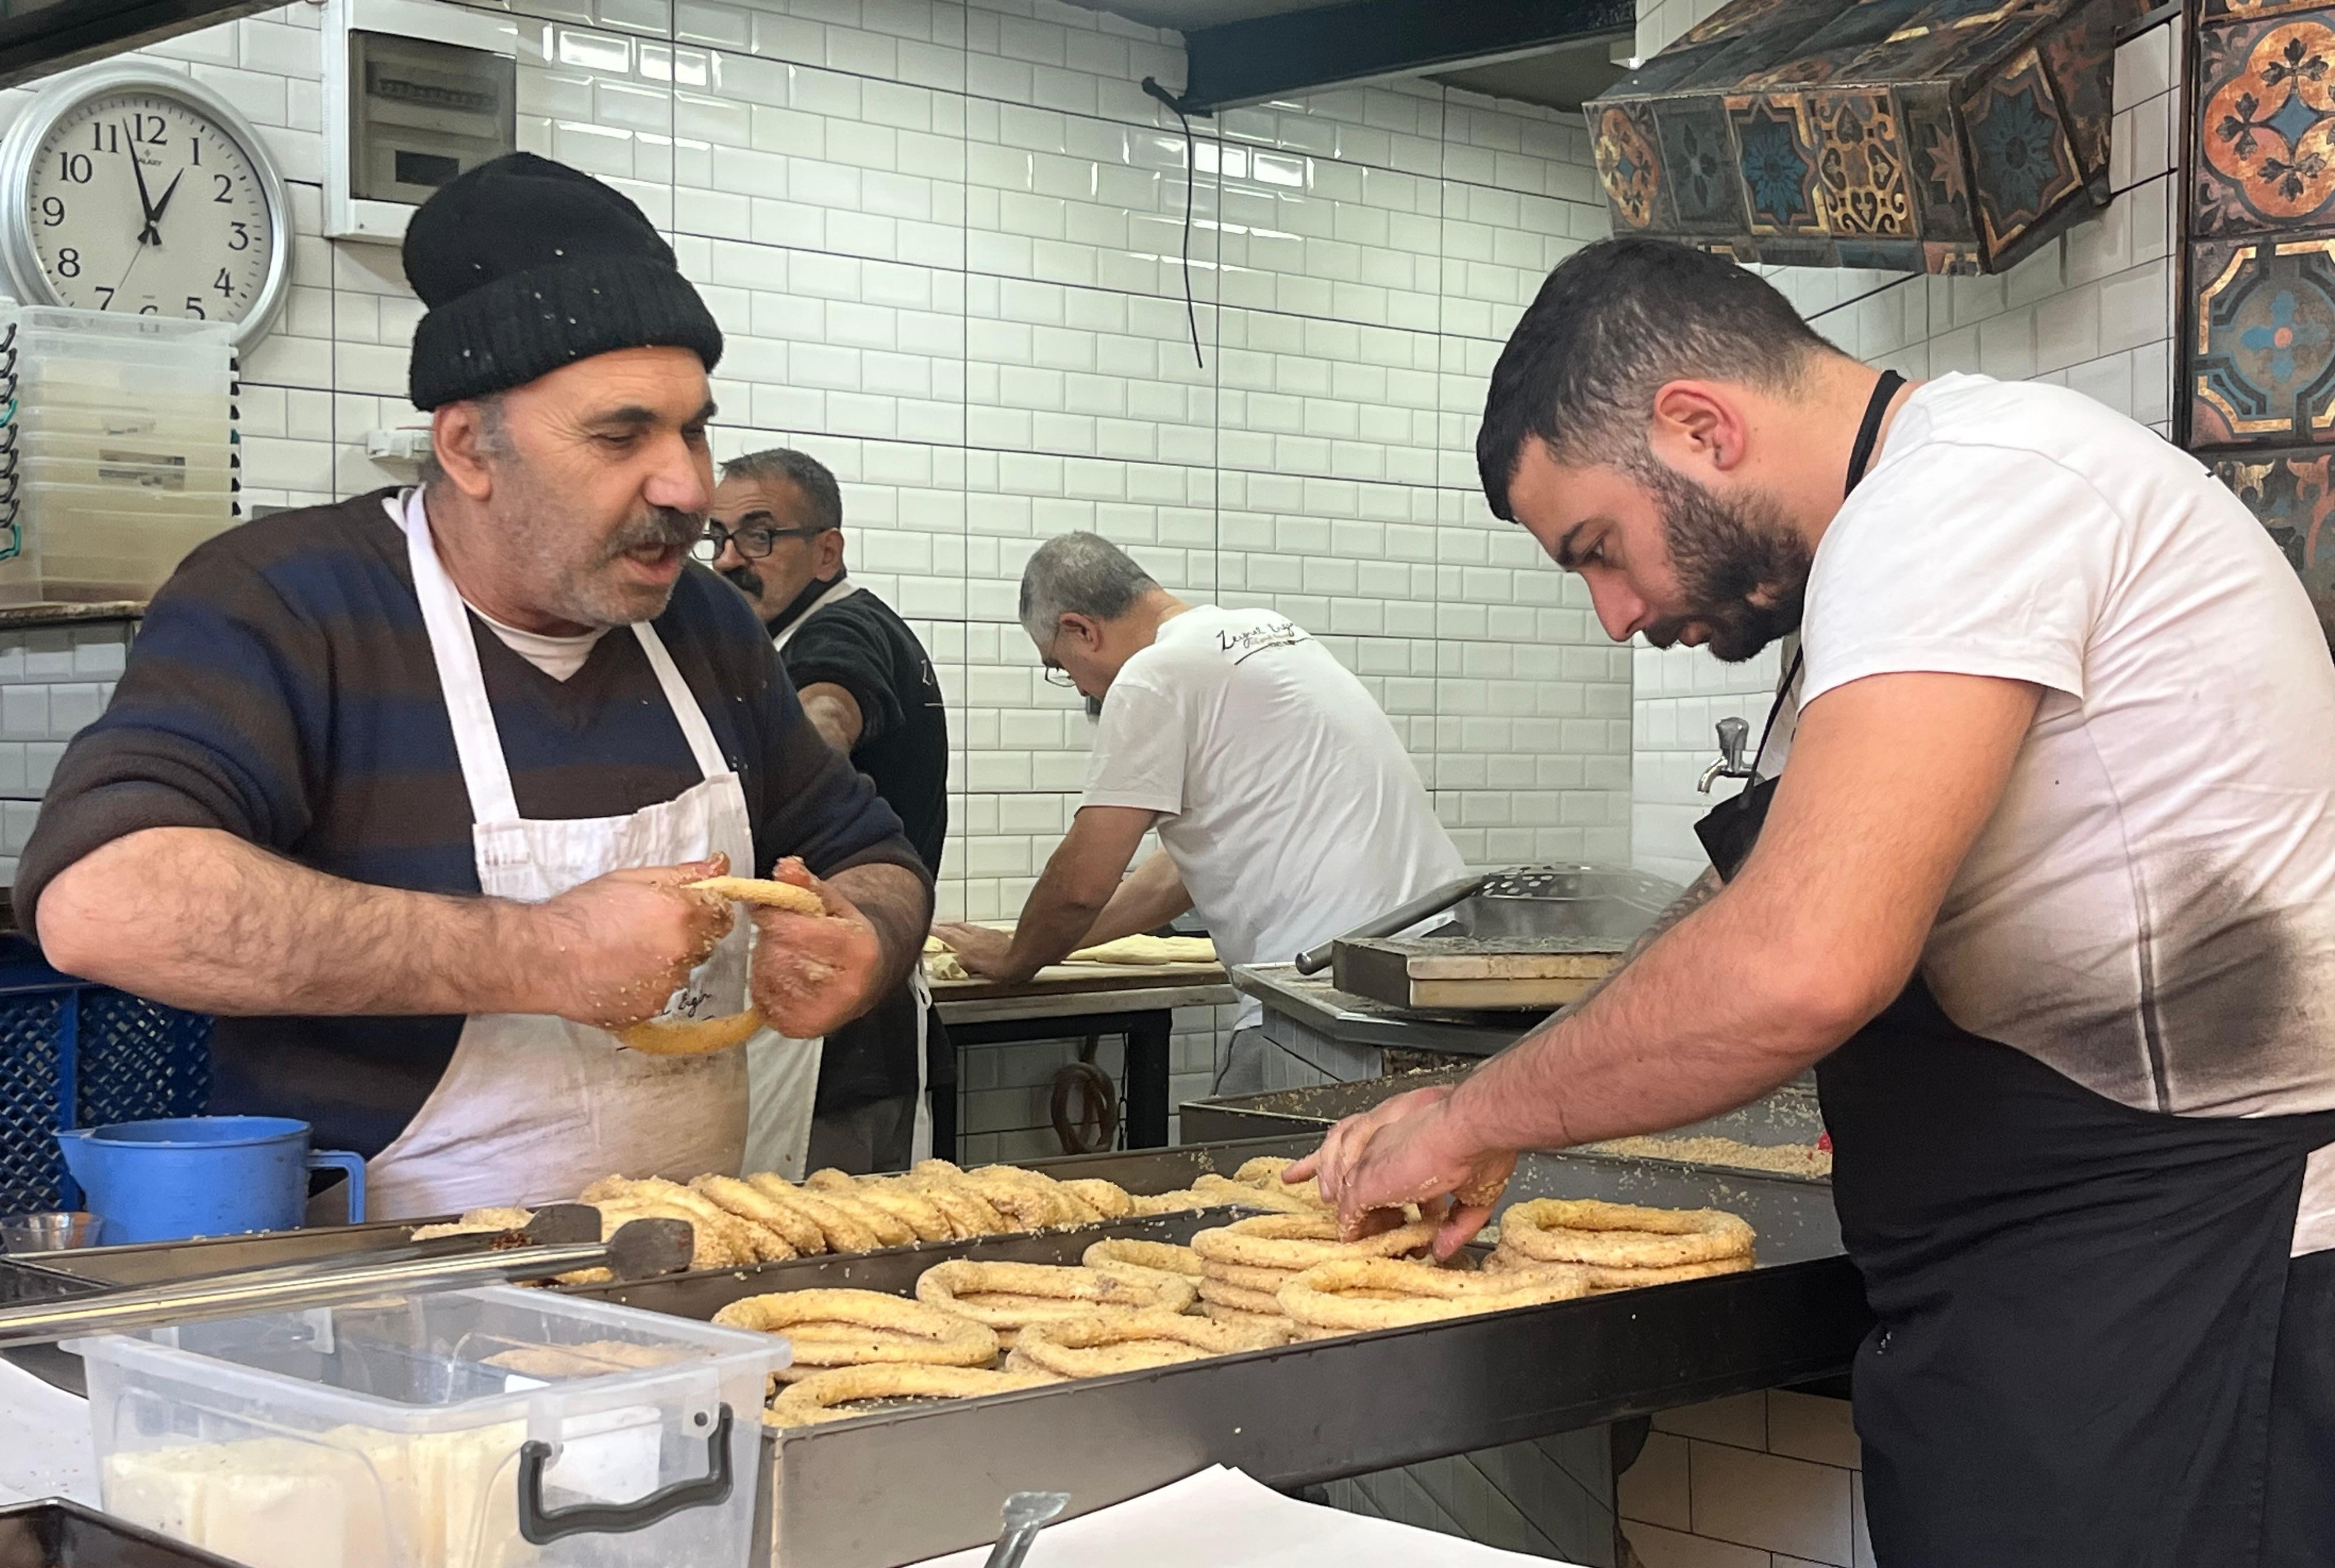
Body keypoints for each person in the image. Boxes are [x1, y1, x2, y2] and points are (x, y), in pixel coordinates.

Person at [1295, 237, 2335, 1568]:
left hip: (2178, 1290)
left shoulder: (1971, 497)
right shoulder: (1894, 550)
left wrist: (1476, 1113)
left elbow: (1801, 960)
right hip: (2052, 1302)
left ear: (1701, 426)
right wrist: (1511, 1113)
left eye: (1595, 547)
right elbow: (1746, 927)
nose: (1613, 613)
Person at [16, 153, 932, 1219]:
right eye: (620, 433)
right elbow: (105, 900)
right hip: (372, 1301)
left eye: (691, 427)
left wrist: (859, 939)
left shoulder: (704, 625)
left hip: (679, 1289)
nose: (688, 485)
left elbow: (875, 856)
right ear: (466, 446)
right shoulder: (291, 600)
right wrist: (547, 952)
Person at [933, 532, 1466, 1095]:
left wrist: (1017, 957)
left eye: (1060, 666)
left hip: (1326, 998)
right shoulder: (1269, 633)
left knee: (1243, 1179)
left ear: (1080, 630)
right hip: (1438, 974)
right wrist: (1058, 943)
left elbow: (1082, 883)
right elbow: (1177, 875)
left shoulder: (1154, 676)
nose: (1077, 687)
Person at [708, 447, 949, 1174]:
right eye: (716, 537)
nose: (727, 560)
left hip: (843, 1031)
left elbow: (826, 715)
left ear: (826, 551)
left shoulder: (838, 633)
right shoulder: (793, 634)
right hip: (828, 1015)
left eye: (757, 535)